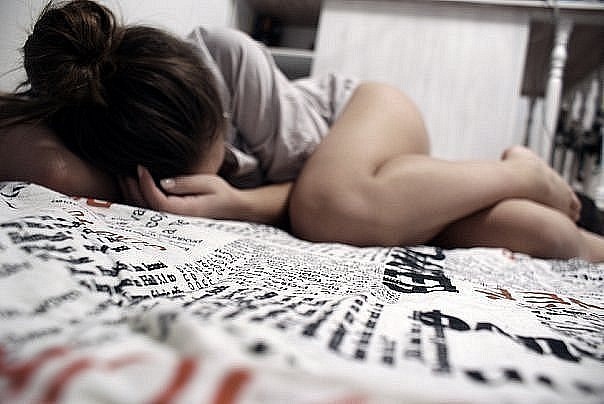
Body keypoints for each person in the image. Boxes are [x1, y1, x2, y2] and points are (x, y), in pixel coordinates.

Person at [1, 0, 603, 262]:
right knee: (527, 231)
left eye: (222, 140)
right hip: (380, 191)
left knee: (330, 207)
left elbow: (314, 197)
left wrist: (238, 204)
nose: (227, 154)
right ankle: (583, 241)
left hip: (365, 116)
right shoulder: (107, 127)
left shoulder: (227, 59)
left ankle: (521, 172)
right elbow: (31, 146)